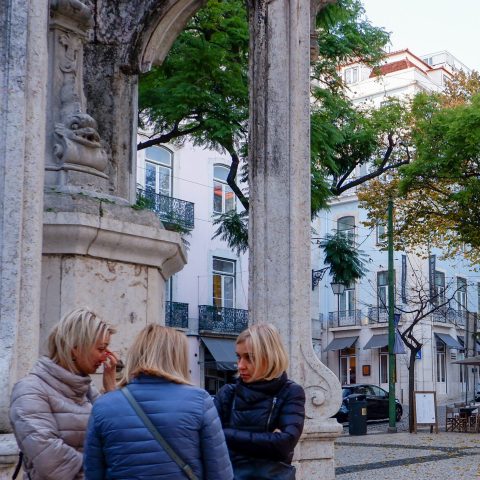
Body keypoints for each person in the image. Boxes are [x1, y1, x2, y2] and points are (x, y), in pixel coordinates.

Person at [83, 324, 233, 480]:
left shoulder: (103, 406)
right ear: (178, 357)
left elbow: (92, 472)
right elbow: (220, 473)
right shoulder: (200, 401)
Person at [9, 307, 118, 480]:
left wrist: (111, 390)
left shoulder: (87, 389)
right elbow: (52, 462)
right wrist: (103, 469)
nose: (105, 357)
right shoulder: (30, 390)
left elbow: (117, 437)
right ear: (75, 348)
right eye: (100, 349)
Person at [214, 323, 306, 480]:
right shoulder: (228, 393)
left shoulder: (290, 392)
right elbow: (208, 438)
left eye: (250, 358)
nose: (240, 365)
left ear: (270, 357)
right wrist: (267, 439)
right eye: (238, 357)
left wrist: (223, 434)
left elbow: (284, 444)